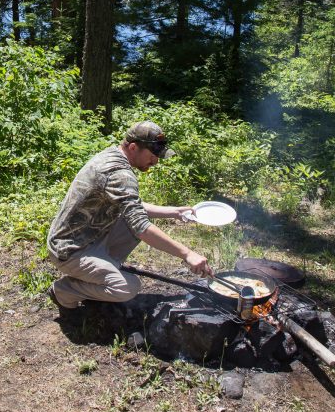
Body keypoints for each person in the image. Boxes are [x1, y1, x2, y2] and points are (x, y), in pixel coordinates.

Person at [45, 120, 214, 310]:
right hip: (69, 250)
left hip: (85, 236)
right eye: (153, 155)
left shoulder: (111, 155)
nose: (156, 161)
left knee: (134, 222)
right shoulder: (120, 174)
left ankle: (100, 270)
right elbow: (141, 226)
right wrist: (187, 253)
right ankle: (63, 291)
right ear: (133, 147)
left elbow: (130, 205)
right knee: (127, 287)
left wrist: (174, 212)